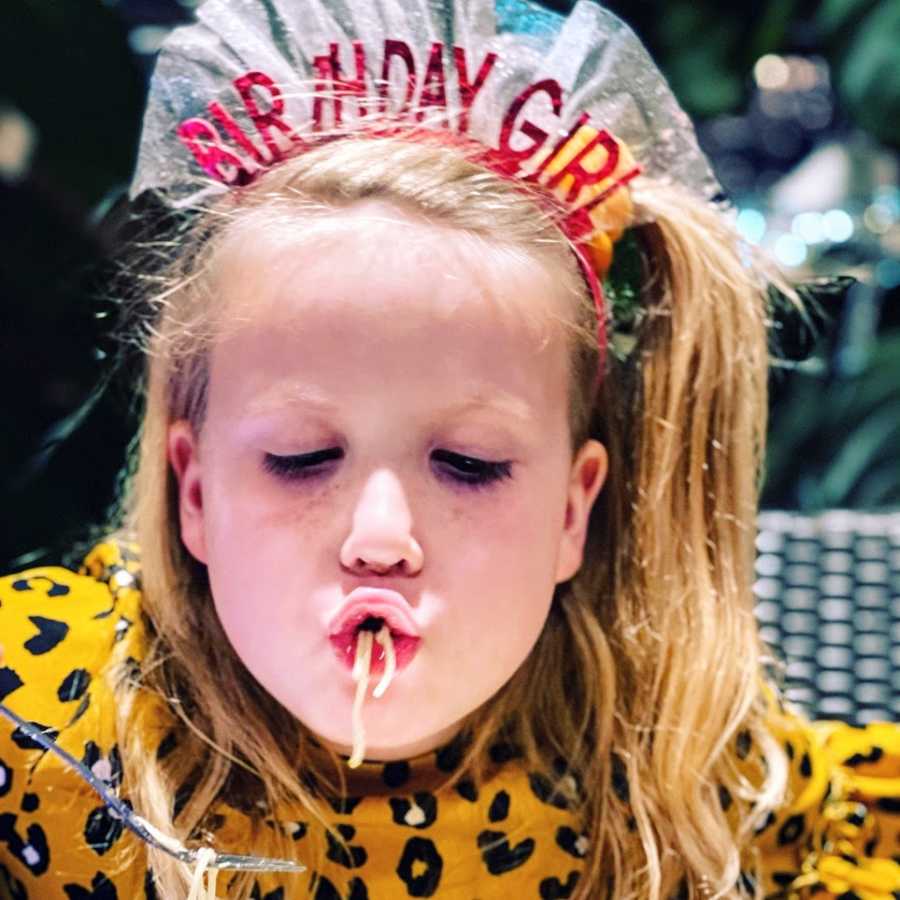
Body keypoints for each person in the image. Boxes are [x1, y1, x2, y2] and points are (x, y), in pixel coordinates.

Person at [1, 0, 898, 898]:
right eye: (302, 458)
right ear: (192, 491)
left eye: (470, 465)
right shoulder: (34, 717)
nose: (381, 537)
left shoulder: (677, 765)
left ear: (571, 512)